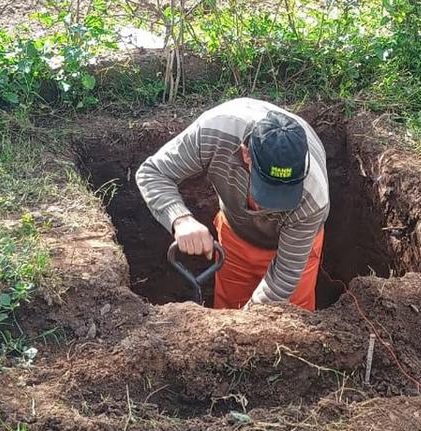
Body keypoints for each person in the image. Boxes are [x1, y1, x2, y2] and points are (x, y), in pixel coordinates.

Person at [136, 98, 330, 310]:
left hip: (293, 250)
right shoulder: (214, 133)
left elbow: (284, 279)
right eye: (266, 190)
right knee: (228, 311)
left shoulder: (314, 197)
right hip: (237, 239)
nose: (271, 208)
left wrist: (245, 322)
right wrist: (180, 219)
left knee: (292, 321)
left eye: (284, 194)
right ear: (246, 154)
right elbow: (152, 173)